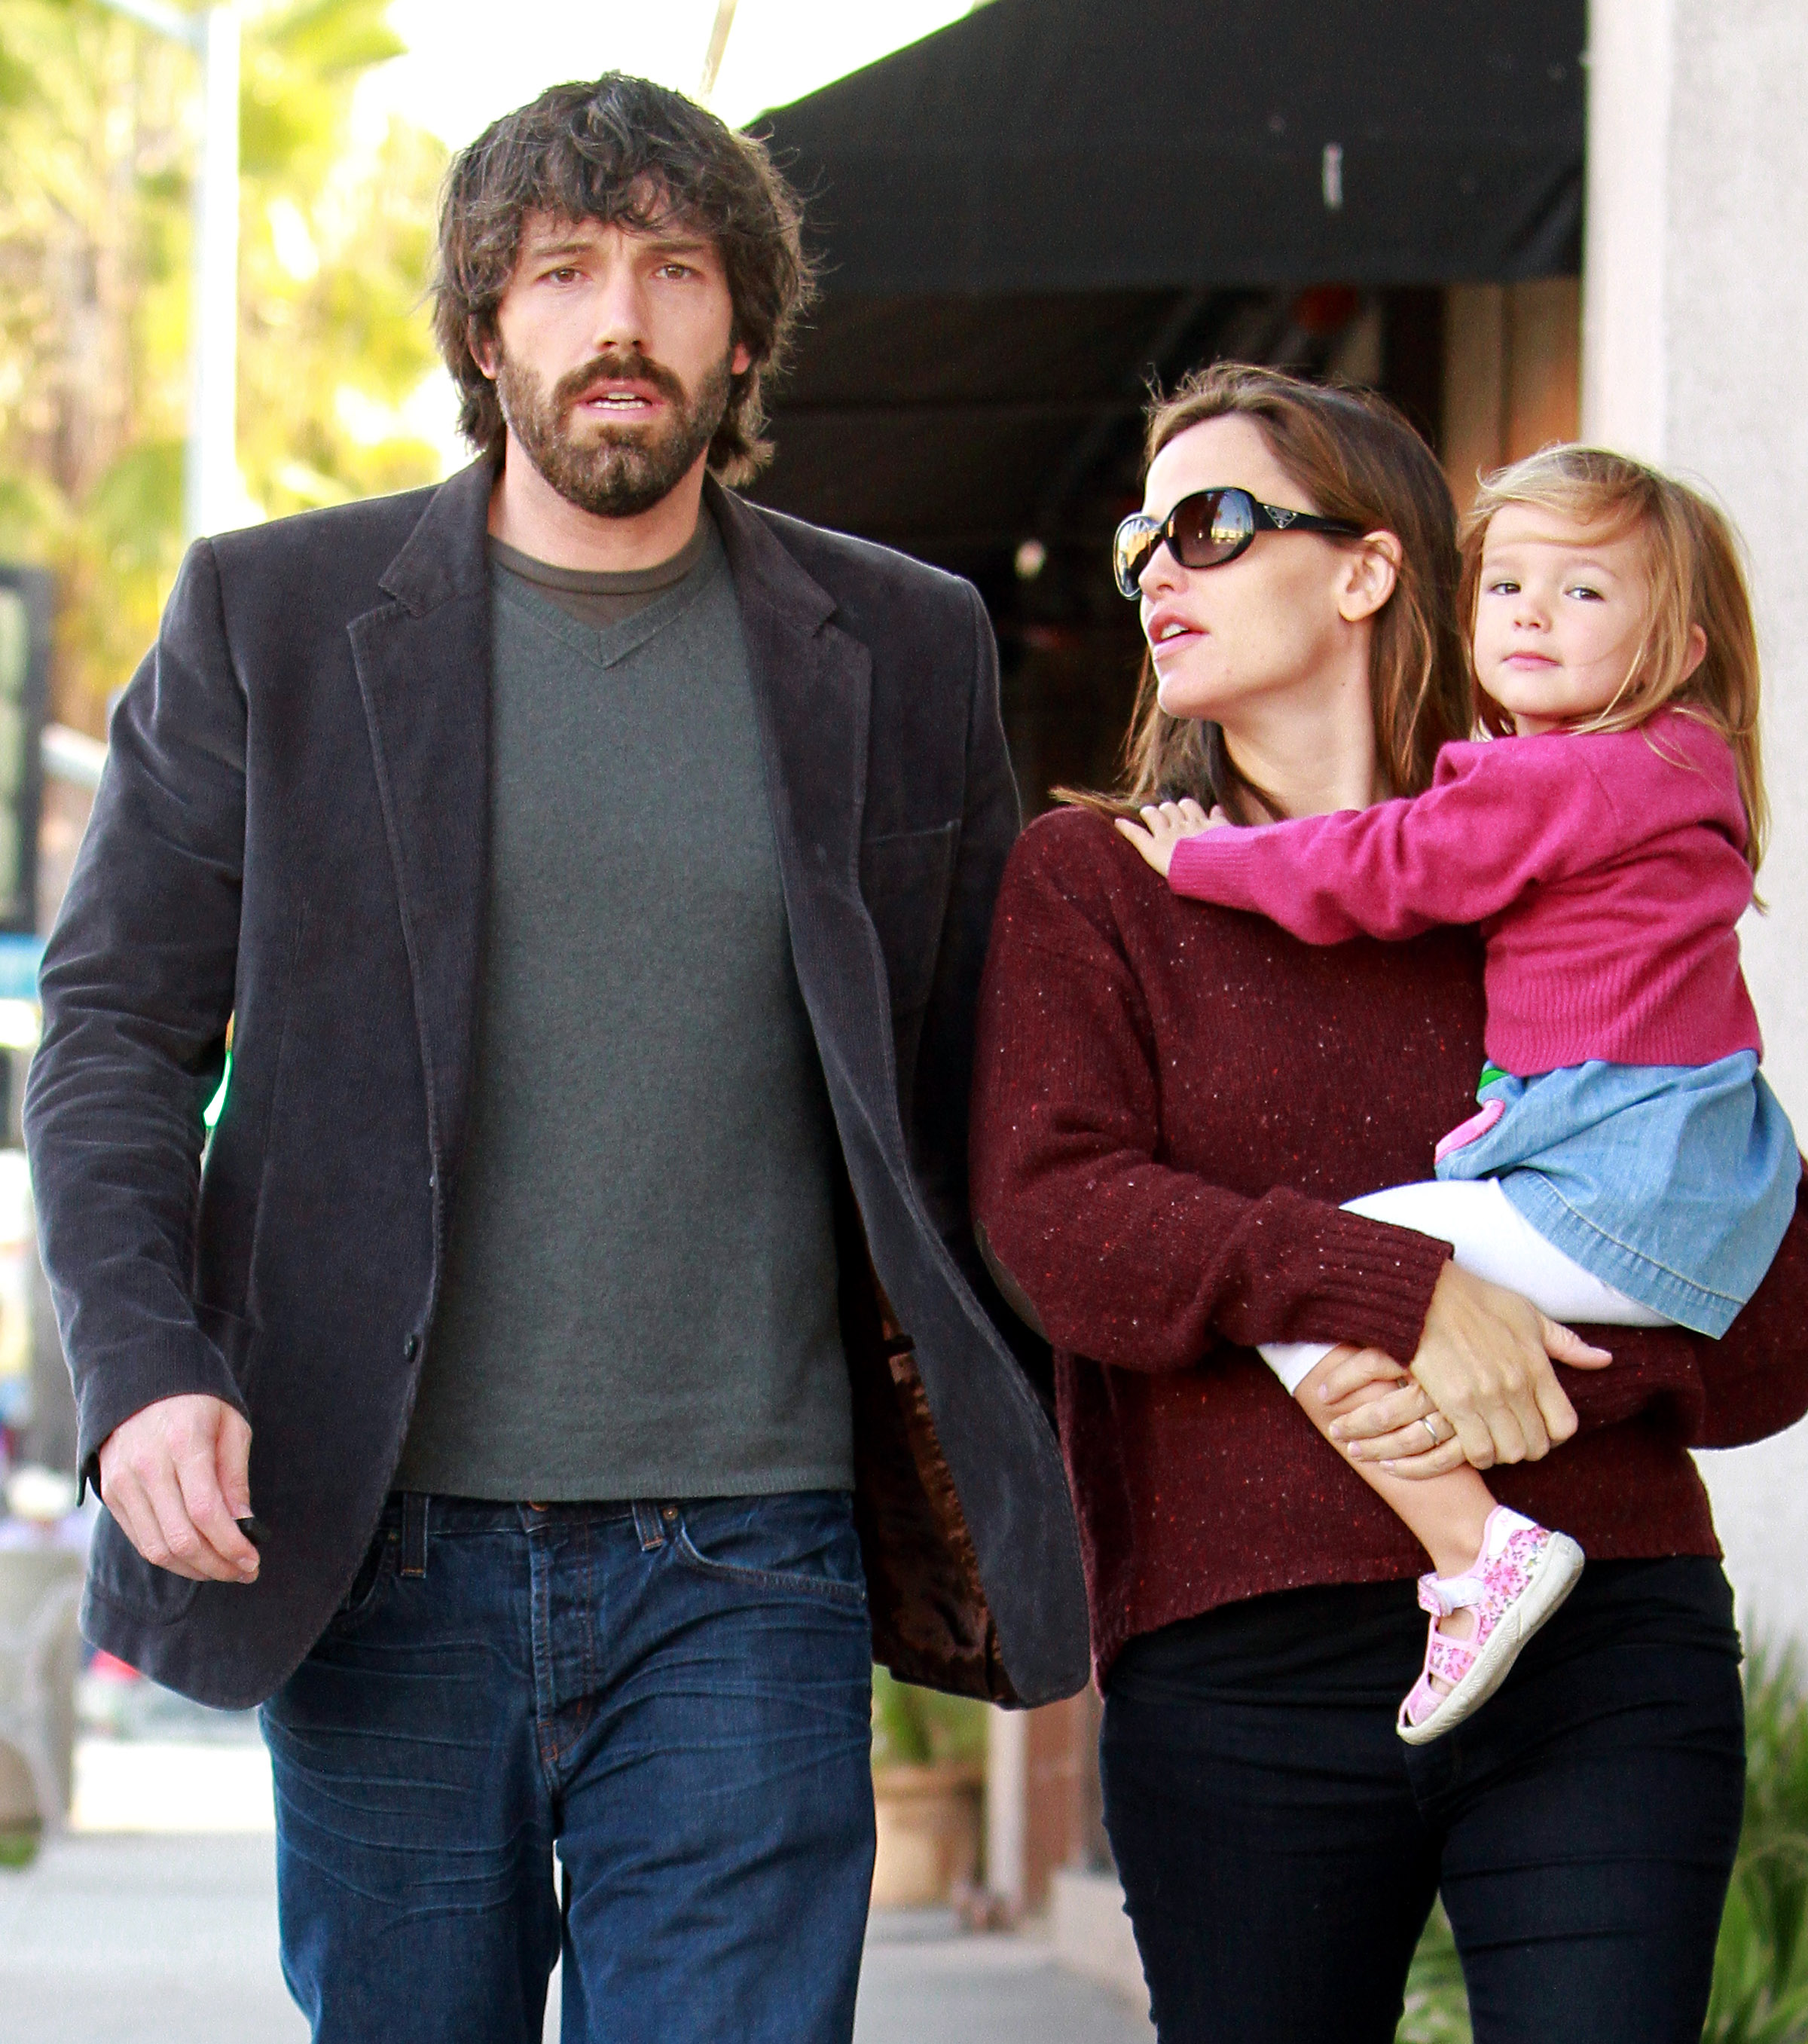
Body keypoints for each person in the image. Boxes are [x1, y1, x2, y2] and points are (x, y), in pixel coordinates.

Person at [23, 74, 1087, 2044]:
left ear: (741, 331)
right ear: (485, 328)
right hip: (376, 1549)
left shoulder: (905, 647)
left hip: (752, 1562)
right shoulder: (278, 620)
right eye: (566, 270)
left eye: (677, 270)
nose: (624, 319)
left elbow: (985, 1086)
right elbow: (108, 1033)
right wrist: (146, 1370)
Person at [970, 362, 1808, 2044]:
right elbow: (1061, 1221)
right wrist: (1403, 1294)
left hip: (1603, 1645)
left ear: (1362, 569)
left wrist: (1557, 1350)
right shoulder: (1102, 881)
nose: (1157, 570)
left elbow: (1768, 1331)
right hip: (1242, 1676)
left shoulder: (1559, 845)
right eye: (1143, 536)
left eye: (1209, 523)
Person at [1113, 445, 1800, 1743]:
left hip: (1609, 1183)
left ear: (1681, 638)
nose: (1533, 614)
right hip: (1699, 1180)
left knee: (1318, 1276)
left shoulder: (1559, 782)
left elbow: (1390, 864)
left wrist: (1216, 860)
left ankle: (1476, 1547)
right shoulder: (1679, 769)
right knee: (1356, 1274)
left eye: (1586, 593)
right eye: (1507, 585)